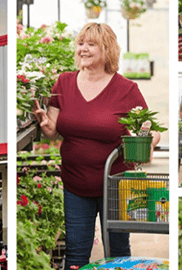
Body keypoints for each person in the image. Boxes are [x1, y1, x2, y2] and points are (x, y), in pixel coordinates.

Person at [34, 22, 148, 269]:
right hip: (75, 184)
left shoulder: (126, 89)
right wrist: (46, 127)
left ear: (106, 49)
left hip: (114, 185)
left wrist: (145, 140)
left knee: (117, 253)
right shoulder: (63, 83)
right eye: (81, 43)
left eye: (91, 44)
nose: (83, 49)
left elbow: (147, 129)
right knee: (75, 254)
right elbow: (54, 131)